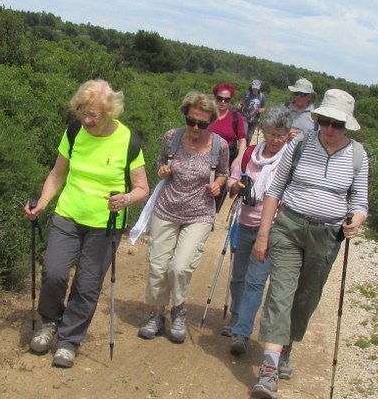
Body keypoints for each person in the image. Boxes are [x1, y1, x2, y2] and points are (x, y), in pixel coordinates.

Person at [249, 89, 369, 399]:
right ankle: (269, 369)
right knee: (280, 294)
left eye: (337, 124)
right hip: (289, 227)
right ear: (317, 119)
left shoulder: (357, 155)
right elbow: (275, 189)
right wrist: (263, 235)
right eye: (325, 121)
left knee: (306, 298)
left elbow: (359, 200)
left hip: (327, 236)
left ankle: (287, 344)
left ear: (346, 126)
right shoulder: (299, 145)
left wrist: (356, 219)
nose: (329, 129)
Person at [24, 80, 149, 368]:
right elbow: (57, 174)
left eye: (95, 115)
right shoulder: (73, 131)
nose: (88, 120)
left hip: (105, 224)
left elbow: (142, 188)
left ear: (110, 113)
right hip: (68, 214)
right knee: (54, 272)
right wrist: (42, 202)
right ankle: (50, 323)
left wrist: (126, 199)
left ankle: (69, 340)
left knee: (87, 284)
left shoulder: (128, 141)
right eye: (83, 112)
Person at [140, 92, 229, 344]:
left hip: (199, 212)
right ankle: (156, 315)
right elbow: (160, 163)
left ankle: (178, 310)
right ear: (185, 116)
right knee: (158, 266)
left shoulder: (219, 145)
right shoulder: (172, 137)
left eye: (202, 123)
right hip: (167, 208)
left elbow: (223, 172)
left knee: (179, 267)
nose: (196, 128)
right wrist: (163, 170)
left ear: (210, 121)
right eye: (191, 121)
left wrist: (218, 185)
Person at [222, 106, 293, 357]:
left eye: (281, 135)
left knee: (255, 281)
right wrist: (235, 185)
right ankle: (237, 317)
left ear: (287, 135)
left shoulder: (290, 160)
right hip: (243, 222)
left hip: (271, 229)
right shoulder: (250, 154)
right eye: (272, 134)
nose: (275, 140)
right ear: (262, 131)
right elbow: (231, 178)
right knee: (238, 276)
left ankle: (241, 333)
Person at [208, 81, 247, 172]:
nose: (223, 102)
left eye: (227, 99)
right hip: (205, 155)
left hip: (227, 158)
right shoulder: (206, 114)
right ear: (214, 97)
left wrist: (239, 158)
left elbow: (242, 140)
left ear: (231, 100)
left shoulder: (236, 116)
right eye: (219, 98)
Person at [238, 79, 267, 143]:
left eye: (256, 89)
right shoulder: (247, 94)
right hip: (245, 117)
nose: (255, 90)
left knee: (249, 137)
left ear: (259, 88)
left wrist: (259, 110)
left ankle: (246, 149)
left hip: (255, 119)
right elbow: (241, 102)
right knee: (244, 135)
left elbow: (264, 108)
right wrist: (240, 105)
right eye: (254, 88)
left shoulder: (262, 96)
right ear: (251, 87)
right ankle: (241, 149)